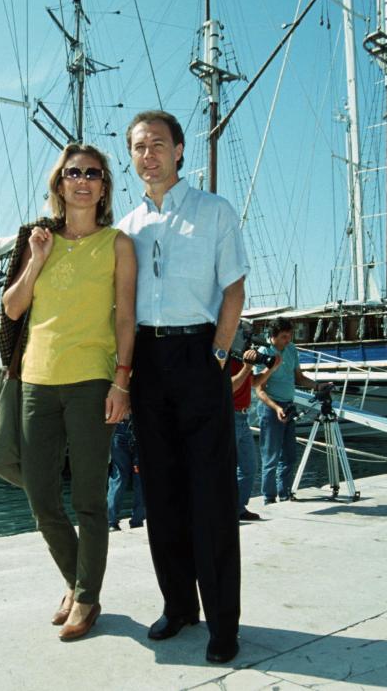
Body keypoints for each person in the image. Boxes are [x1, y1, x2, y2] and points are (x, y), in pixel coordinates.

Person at [118, 109, 248, 664]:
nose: (148, 154)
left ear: (179, 150)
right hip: (146, 358)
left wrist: (218, 354)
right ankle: (179, 606)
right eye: (138, 146)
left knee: (212, 493)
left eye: (158, 144)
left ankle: (223, 622)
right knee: (162, 491)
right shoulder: (126, 227)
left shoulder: (214, 212)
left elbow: (234, 289)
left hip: (199, 354)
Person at [2, 143, 137, 641]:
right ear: (59, 183)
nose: (83, 180)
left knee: (88, 500)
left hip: (91, 382)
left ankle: (86, 596)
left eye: (93, 174)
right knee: (40, 497)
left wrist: (122, 381)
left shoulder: (118, 244)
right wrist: (36, 261)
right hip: (36, 381)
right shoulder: (37, 238)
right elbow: (13, 309)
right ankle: (75, 580)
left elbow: (126, 317)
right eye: (73, 172)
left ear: (104, 187)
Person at [255, 316, 323, 503]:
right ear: (273, 336)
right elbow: (259, 389)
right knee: (270, 457)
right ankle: (268, 498)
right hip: (271, 409)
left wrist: (318, 386)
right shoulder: (264, 352)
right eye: (284, 337)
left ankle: (284, 494)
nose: (288, 340)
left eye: (290, 336)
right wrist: (276, 408)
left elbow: (299, 378)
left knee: (289, 456)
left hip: (289, 406)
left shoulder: (291, 349)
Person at [230, 347, 279, 521]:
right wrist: (247, 367)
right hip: (229, 416)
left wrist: (270, 368)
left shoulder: (243, 358)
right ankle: (228, 510)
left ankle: (238, 508)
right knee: (227, 468)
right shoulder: (224, 357)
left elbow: (252, 383)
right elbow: (229, 386)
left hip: (243, 418)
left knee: (249, 466)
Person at [106, 414, 145, 531]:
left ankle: (111, 521)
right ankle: (137, 521)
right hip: (139, 428)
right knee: (140, 479)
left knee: (118, 477)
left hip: (119, 426)